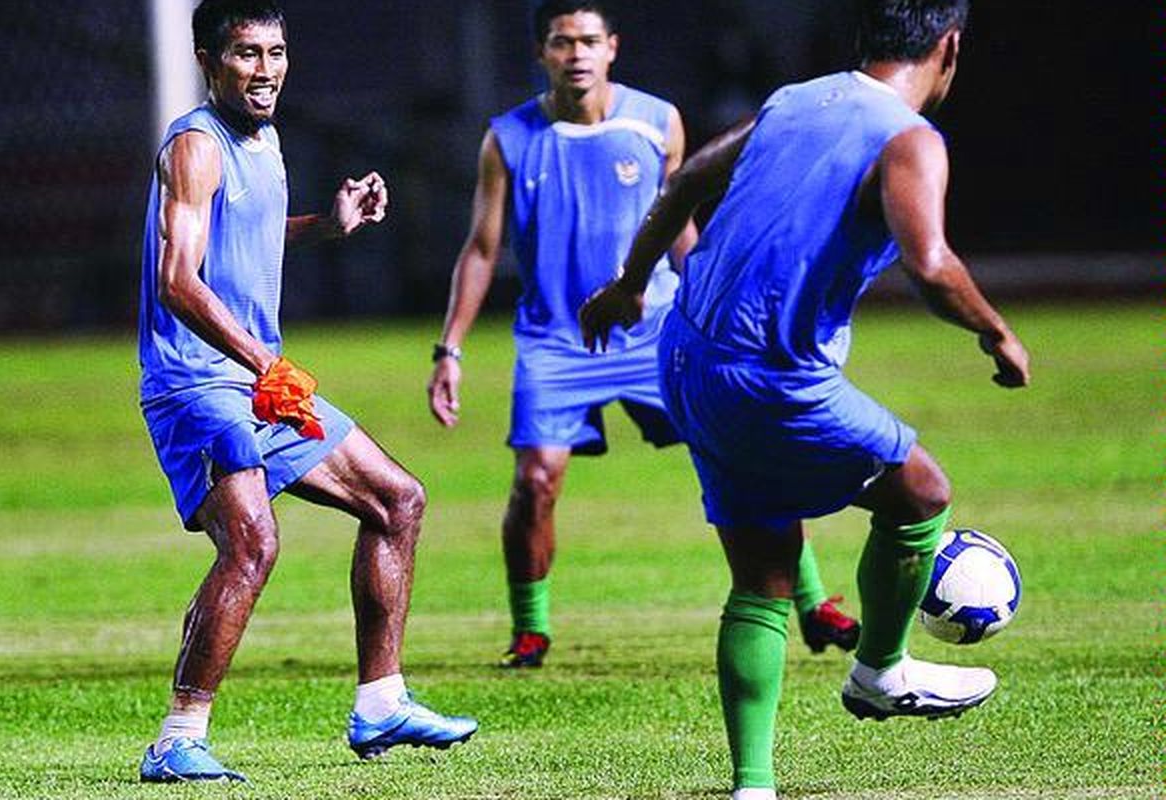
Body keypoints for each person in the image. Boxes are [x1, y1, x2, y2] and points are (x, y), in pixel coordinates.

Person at [580, 1, 1030, 798]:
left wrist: (626, 285)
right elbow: (929, 263)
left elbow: (684, 179)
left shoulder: (796, 99)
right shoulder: (909, 138)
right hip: (769, 373)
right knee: (922, 491)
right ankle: (881, 672)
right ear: (949, 47)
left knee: (763, 575)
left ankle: (753, 785)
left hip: (684, 355)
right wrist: (996, 332)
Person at [426, 0, 859, 669]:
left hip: (657, 330)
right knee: (536, 480)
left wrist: (711, 304)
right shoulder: (508, 139)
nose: (576, 54)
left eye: (588, 41)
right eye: (562, 42)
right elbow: (482, 250)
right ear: (542, 52)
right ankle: (531, 628)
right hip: (555, 339)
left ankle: (810, 602)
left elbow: (678, 222)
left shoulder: (656, 121)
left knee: (742, 450)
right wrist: (449, 349)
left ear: (613, 48)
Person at [136, 0, 476, 783]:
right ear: (207, 59)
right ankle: (178, 738)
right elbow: (177, 279)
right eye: (248, 54)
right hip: (198, 383)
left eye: (277, 52)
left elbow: (245, 229)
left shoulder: (266, 139)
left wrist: (327, 224)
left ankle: (381, 702)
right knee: (252, 542)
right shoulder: (195, 145)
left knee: (399, 501)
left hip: (254, 378)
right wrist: (263, 363)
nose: (266, 70)